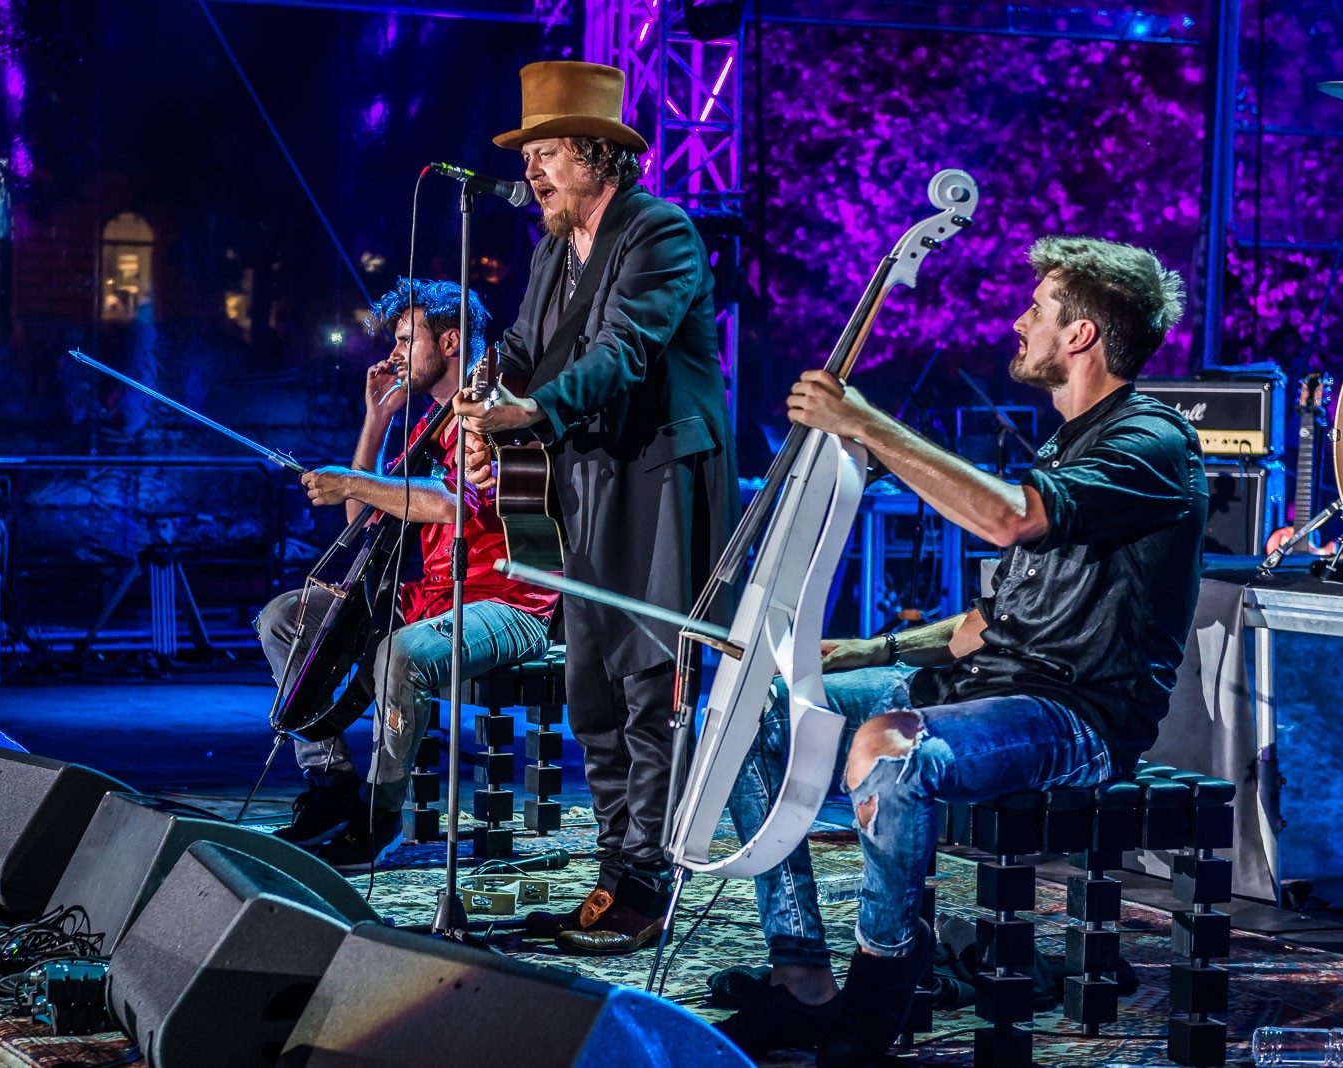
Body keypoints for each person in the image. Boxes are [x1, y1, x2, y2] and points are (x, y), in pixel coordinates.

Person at [715, 235, 1208, 1066]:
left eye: (1037, 310)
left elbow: (1010, 519)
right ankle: (801, 975)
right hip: (988, 687)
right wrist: (855, 652)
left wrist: (865, 422)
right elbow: (984, 625)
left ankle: (878, 994)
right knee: (757, 712)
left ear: (1081, 334)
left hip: (1076, 717)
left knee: (890, 750)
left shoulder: (1150, 441)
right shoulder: (1065, 445)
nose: (1019, 323)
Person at [454, 61, 740, 954]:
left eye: (546, 153)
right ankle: (616, 871)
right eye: (528, 155)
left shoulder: (660, 232)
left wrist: (530, 411)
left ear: (596, 155)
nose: (532, 170)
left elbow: (623, 351)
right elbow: (521, 346)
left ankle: (650, 880)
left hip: (657, 478)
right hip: (582, 481)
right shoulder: (552, 249)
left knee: (648, 679)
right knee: (589, 684)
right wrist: (483, 393)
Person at [255, 279, 556, 873]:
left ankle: (378, 812)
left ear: (449, 342)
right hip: (438, 595)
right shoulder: (429, 426)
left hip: (510, 601)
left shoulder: (496, 409)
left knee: (400, 654)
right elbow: (363, 516)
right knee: (283, 619)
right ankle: (331, 784)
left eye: (404, 340)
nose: (392, 354)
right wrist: (375, 422)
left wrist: (354, 480)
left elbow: (451, 504)